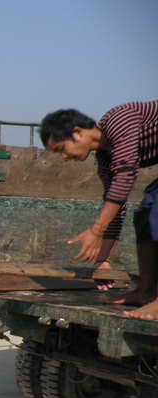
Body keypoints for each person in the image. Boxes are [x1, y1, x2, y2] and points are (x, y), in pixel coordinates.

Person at [40, 102, 158, 319]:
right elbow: (115, 205)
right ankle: (146, 291)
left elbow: (126, 175)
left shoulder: (119, 120)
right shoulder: (104, 158)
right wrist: (103, 260)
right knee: (145, 213)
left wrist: (96, 231)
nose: (64, 158)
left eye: (61, 150)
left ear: (77, 133)